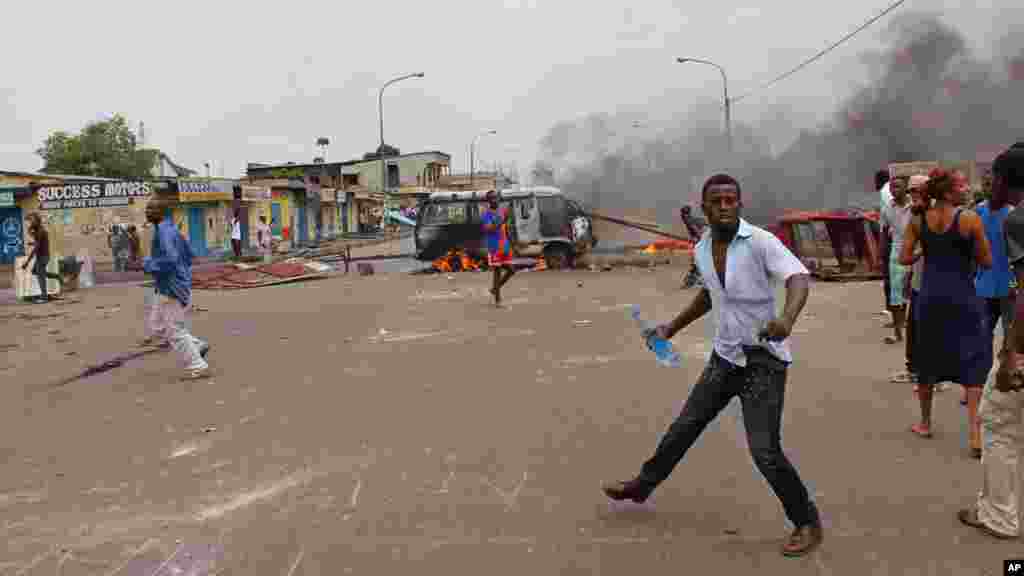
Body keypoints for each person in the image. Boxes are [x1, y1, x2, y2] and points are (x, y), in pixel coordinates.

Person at [602, 174, 823, 557]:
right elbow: (710, 294)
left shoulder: (760, 242)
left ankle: (806, 521)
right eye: (716, 201)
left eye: (731, 200)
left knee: (764, 451)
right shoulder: (703, 247)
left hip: (762, 361)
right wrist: (671, 327)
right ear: (704, 207)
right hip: (725, 356)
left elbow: (798, 278)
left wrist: (786, 320)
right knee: (686, 425)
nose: (724, 206)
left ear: (740, 204)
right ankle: (643, 485)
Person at [900, 167, 992, 456]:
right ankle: (976, 437)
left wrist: (925, 251)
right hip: (964, 297)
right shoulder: (969, 219)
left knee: (927, 358)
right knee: (974, 361)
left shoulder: (918, 219)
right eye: (961, 185)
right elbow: (986, 260)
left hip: (929, 299)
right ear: (949, 191)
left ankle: (926, 423)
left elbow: (904, 258)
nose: (965, 189)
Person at [958, 142, 1024, 540]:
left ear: (1001, 180)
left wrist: (1011, 352)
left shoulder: (1018, 221)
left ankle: (999, 516)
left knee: (998, 422)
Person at [144, 196, 211, 380]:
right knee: (157, 326)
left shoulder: (164, 233)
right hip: (167, 285)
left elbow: (171, 260)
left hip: (171, 287)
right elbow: (189, 255)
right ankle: (197, 345)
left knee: (174, 331)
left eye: (152, 209)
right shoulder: (169, 229)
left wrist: (149, 265)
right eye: (147, 208)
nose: (147, 212)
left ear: (162, 212)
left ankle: (198, 364)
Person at [897, 175, 929, 386]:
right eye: (911, 192)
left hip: (936, 282)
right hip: (918, 278)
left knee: (930, 329)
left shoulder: (937, 214)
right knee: (914, 327)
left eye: (916, 191)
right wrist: (909, 272)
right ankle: (914, 369)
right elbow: (906, 252)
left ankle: (932, 375)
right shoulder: (913, 214)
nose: (913, 195)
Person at [881, 176, 912, 344]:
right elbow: (884, 231)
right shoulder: (887, 208)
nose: (894, 190)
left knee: (912, 290)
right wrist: (882, 255)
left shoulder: (915, 206)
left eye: (898, 186)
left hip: (917, 250)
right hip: (897, 250)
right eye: (892, 187)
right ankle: (898, 332)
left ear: (905, 187)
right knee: (895, 293)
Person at [482, 190, 515, 306]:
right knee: (497, 272)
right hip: (494, 246)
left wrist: (511, 243)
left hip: (504, 245)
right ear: (488, 201)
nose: (494, 200)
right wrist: (502, 221)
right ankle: (498, 300)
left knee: (511, 270)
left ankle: (495, 289)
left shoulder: (501, 211)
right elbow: (488, 229)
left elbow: (505, 228)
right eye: (492, 198)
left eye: (496, 198)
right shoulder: (486, 214)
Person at [20, 213, 62, 303]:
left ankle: (44, 297)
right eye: (28, 221)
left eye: (30, 221)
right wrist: (33, 243)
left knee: (40, 276)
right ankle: (57, 276)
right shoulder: (38, 230)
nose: (29, 223)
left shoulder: (40, 231)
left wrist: (27, 262)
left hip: (42, 257)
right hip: (43, 256)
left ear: (36, 221)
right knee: (35, 271)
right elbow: (39, 243)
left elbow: (36, 248)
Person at [877, 169, 894, 322]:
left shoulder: (884, 191)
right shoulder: (888, 190)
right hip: (891, 234)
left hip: (889, 235)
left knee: (889, 273)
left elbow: (887, 216)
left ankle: (891, 307)